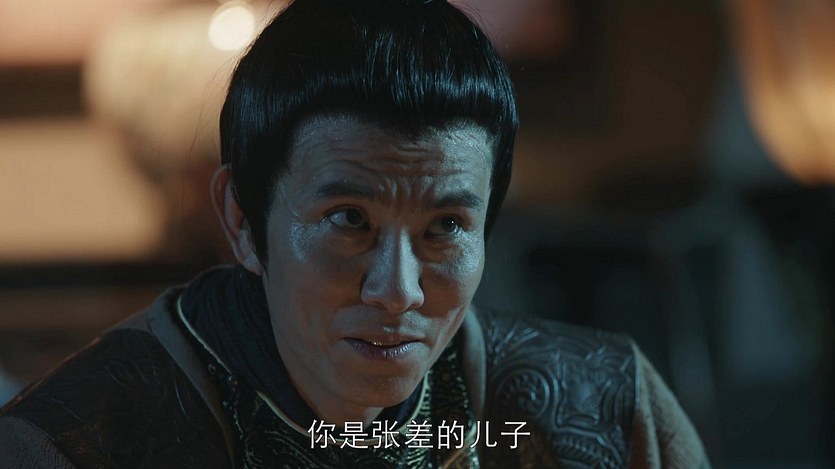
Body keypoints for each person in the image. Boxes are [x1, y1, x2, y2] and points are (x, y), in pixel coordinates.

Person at [0, 0, 709, 467]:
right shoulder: (73, 442)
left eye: (445, 227)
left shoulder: (603, 409)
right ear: (242, 219)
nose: (397, 291)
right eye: (349, 220)